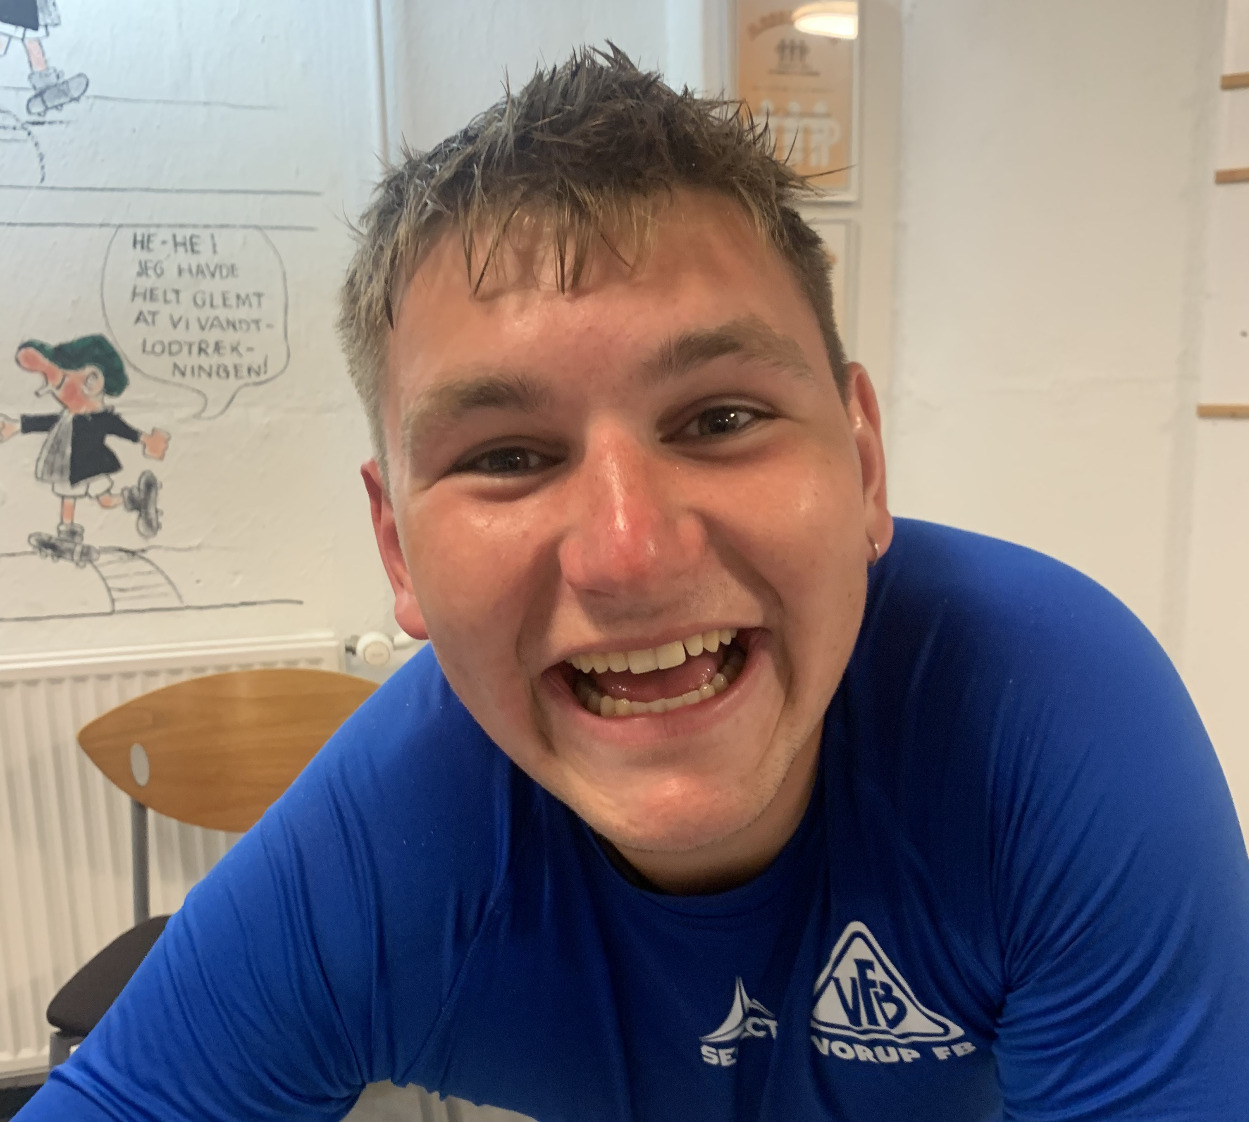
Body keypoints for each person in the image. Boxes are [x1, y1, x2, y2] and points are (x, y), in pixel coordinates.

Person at [18, 47, 1249, 1122]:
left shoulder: (1044, 715)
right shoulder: (395, 840)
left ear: (864, 464)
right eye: (507, 457)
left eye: (720, 418)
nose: (629, 553)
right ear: (397, 550)